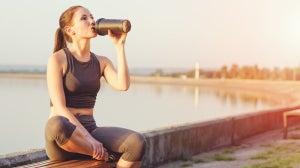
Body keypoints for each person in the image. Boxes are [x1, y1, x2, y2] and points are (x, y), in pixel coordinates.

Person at [44, 5, 146, 168]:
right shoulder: (57, 59)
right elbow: (60, 107)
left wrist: (119, 47)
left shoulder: (101, 62)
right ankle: (101, 154)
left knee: (137, 142)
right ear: (70, 30)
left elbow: (123, 85)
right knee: (56, 123)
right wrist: (91, 142)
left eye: (92, 17)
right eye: (84, 18)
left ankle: (98, 152)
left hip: (90, 129)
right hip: (65, 139)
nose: (92, 21)